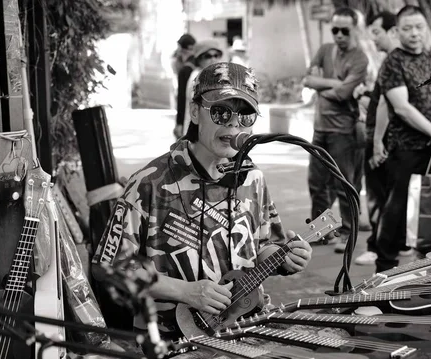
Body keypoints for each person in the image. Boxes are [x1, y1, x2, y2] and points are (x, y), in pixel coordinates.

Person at [92, 62, 313, 340]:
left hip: (247, 328)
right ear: (196, 112)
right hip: (170, 340)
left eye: (245, 115)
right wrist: (184, 291)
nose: (234, 123)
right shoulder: (149, 183)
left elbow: (264, 246)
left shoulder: (252, 178)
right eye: (221, 112)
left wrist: (286, 257)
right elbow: (108, 267)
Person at [373, 5, 431, 272]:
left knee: (426, 210)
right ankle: (383, 270)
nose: (414, 33)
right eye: (407, 28)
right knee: (395, 212)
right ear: (397, 31)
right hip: (405, 149)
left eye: (419, 27)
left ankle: (424, 267)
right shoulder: (393, 62)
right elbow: (402, 108)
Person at [303, 7, 369, 253]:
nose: (339, 35)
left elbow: (343, 95)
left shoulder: (360, 58)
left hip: (344, 131)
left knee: (345, 183)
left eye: (344, 30)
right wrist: (333, 83)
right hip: (320, 128)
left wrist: (324, 87)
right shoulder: (324, 50)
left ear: (354, 29)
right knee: (316, 182)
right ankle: (321, 233)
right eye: (335, 30)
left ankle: (347, 232)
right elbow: (307, 80)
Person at [354, 10, 406, 266]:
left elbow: (387, 103)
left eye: (376, 32)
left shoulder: (393, 61)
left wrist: (376, 143)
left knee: (379, 199)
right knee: (389, 198)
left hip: (385, 141)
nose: (372, 39)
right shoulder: (401, 60)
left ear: (392, 31)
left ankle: (380, 252)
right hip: (395, 142)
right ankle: (389, 248)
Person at [183, 40, 224, 136]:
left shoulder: (216, 75)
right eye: (208, 56)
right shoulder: (198, 77)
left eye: (216, 55)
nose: (213, 59)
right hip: (198, 132)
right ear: (199, 60)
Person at [173, 34, 199, 140]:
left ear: (180, 48)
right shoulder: (198, 66)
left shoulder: (185, 70)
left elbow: (182, 98)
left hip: (188, 117)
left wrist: (179, 123)